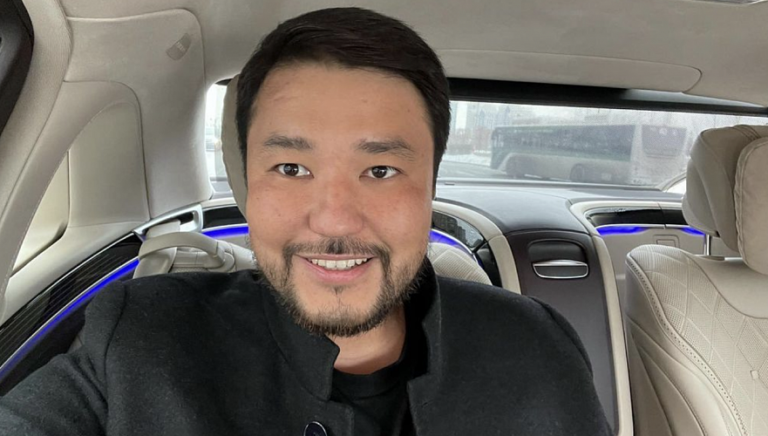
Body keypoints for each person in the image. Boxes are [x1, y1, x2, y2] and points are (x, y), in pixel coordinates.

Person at [0, 7, 611, 436]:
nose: (334, 220)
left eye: (380, 170)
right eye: (291, 168)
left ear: (431, 186)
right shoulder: (141, 337)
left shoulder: (536, 346)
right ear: (247, 182)